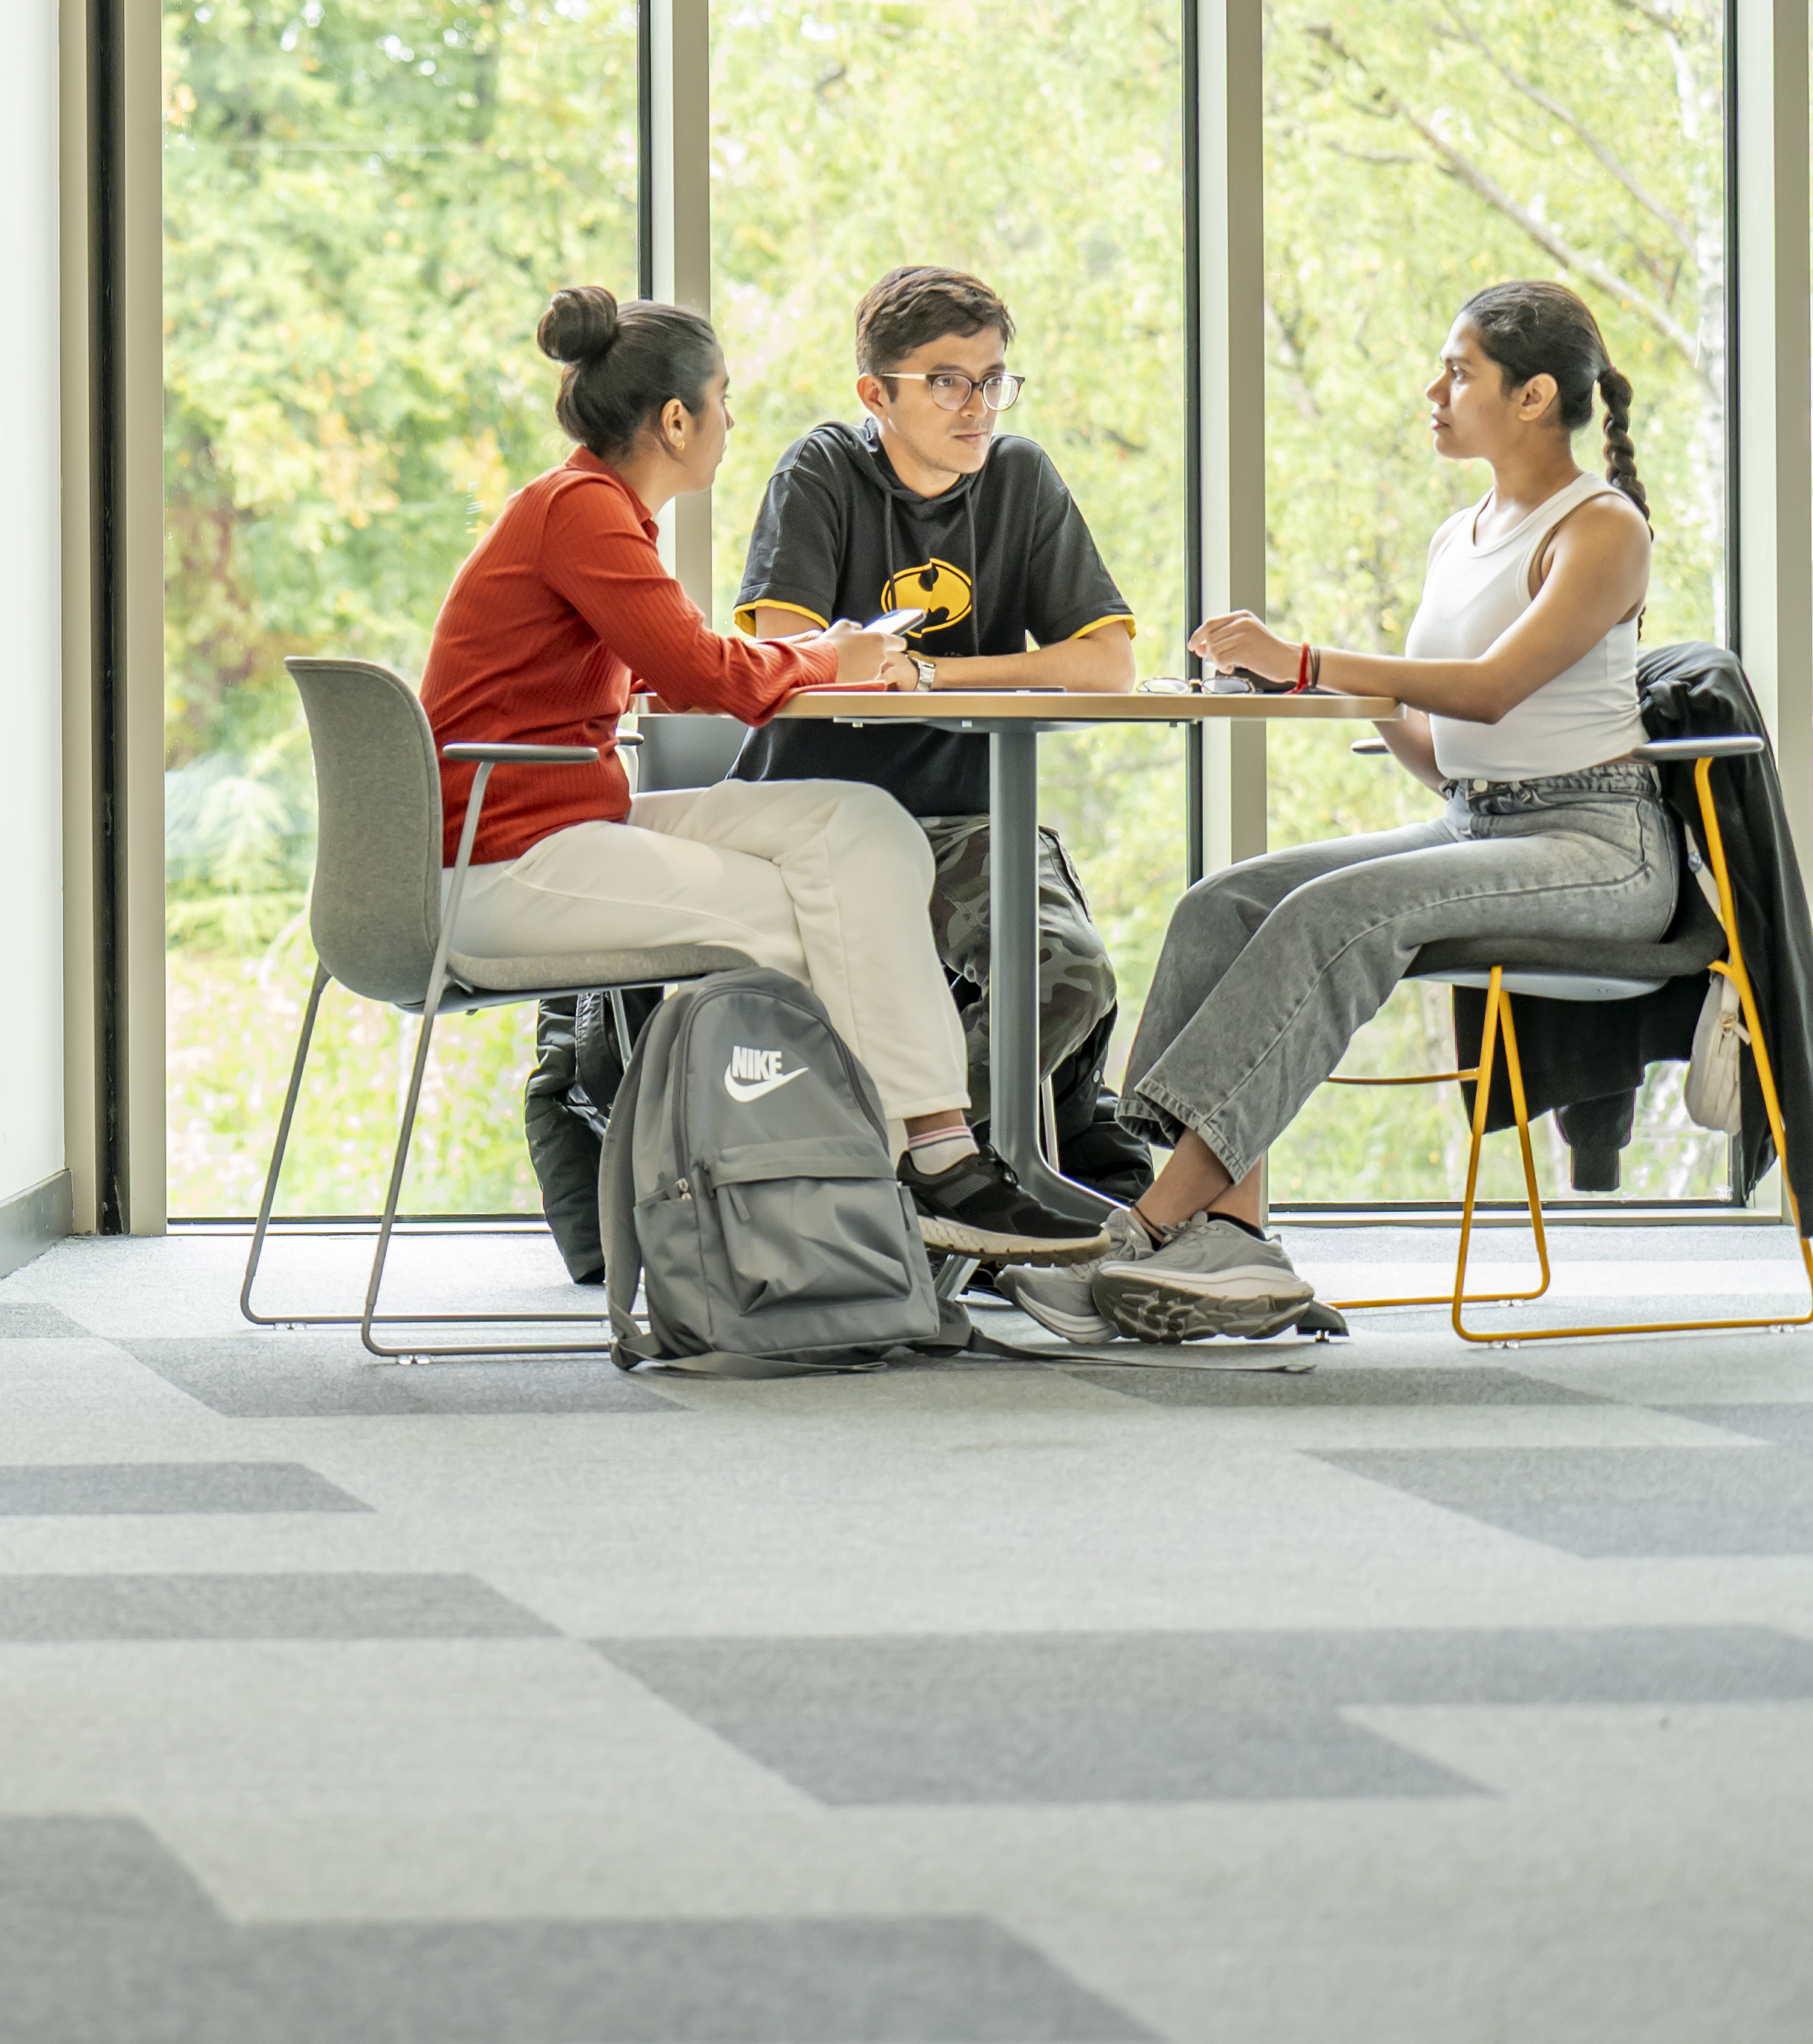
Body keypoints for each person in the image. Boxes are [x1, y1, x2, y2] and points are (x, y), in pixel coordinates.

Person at [1022, 280, 1679, 1345]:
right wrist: (1304, 689)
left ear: (1534, 396)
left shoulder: (1603, 530)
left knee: (1336, 916)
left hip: (1598, 844)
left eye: (1459, 371)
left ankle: (1144, 1229)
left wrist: (1312, 656)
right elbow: (1446, 739)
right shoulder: (1457, 535)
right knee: (1223, 902)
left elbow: (1493, 688)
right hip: (1480, 821)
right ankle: (1231, 1234)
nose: (1434, 390)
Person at [424, 286, 1110, 1264]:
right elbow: (708, 677)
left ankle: (930, 1163)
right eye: (723, 398)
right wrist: (836, 658)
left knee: (861, 831)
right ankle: (913, 1176)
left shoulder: (591, 510)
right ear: (674, 419)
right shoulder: (580, 510)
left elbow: (677, 667)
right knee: (823, 912)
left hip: (567, 819)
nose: (732, 421)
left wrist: (814, 657)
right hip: (503, 862)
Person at [730, 265, 1153, 1199]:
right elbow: (780, 648)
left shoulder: (1019, 475)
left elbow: (1107, 661)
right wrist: (853, 662)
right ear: (875, 394)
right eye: (948, 381)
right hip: (821, 820)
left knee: (1070, 974)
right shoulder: (822, 470)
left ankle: (875, 1176)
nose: (979, 405)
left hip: (967, 820)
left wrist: (928, 673)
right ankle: (909, 1185)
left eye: (995, 378)